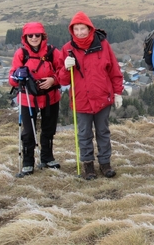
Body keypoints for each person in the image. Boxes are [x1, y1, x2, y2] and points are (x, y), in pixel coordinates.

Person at [58, 11, 123, 180]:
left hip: (103, 98)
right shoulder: (67, 49)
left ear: (90, 28)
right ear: (72, 30)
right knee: (84, 133)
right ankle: (88, 166)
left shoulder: (103, 45)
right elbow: (63, 81)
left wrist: (118, 93)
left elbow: (114, 70)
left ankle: (105, 164)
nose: (79, 32)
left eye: (83, 28)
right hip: (81, 100)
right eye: (76, 29)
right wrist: (65, 67)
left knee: (103, 131)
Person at [9, 22, 63, 175]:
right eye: (30, 35)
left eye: (37, 35)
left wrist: (53, 80)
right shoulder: (21, 53)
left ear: (42, 36)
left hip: (50, 96)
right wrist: (18, 76)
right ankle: (28, 162)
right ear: (25, 37)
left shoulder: (52, 52)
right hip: (28, 97)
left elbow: (63, 72)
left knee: (48, 129)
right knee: (28, 132)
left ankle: (46, 158)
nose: (34, 38)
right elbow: (12, 78)